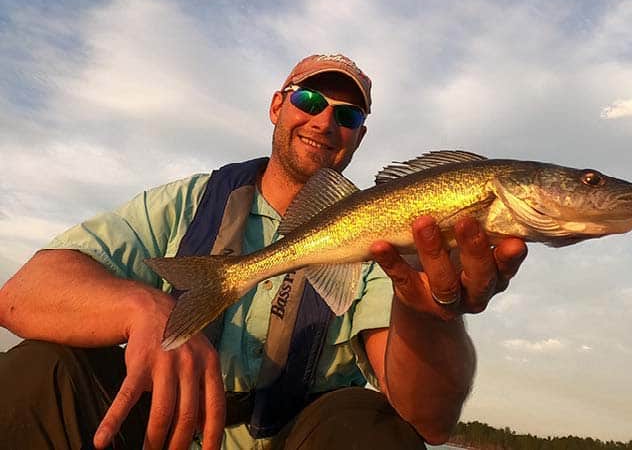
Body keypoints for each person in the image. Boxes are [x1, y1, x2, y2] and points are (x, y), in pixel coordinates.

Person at [0, 54, 527, 450]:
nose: (324, 122)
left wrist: (432, 312)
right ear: (278, 105)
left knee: (367, 427)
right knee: (42, 370)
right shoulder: (190, 202)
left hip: (289, 437)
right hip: (159, 426)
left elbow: (429, 420)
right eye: (310, 101)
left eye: (347, 116)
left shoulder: (386, 244)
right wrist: (144, 309)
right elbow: (22, 294)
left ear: (359, 137)